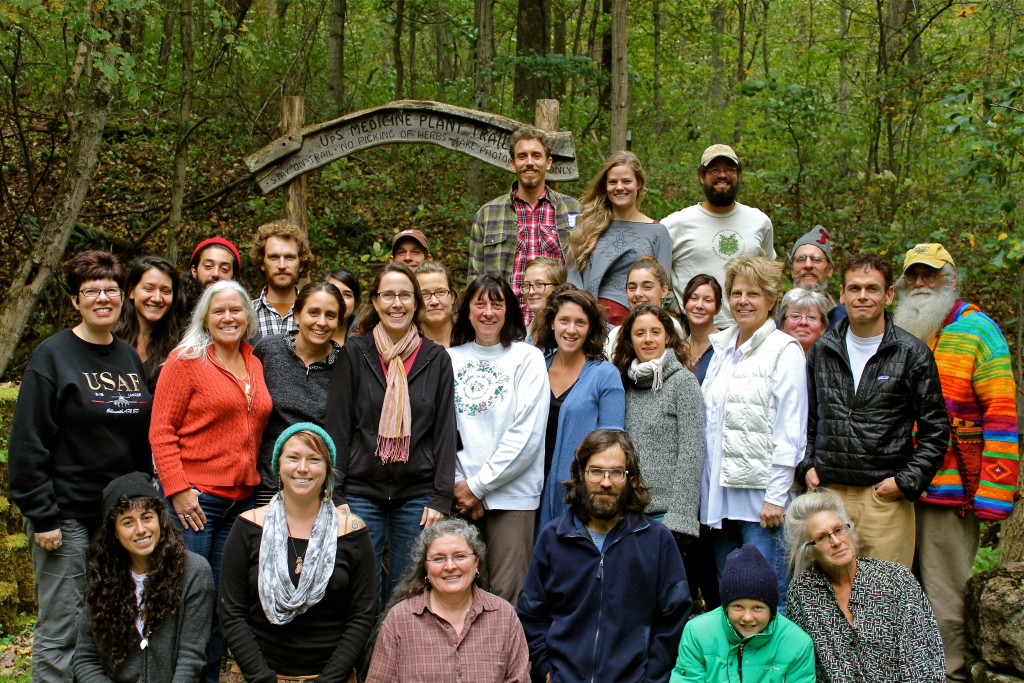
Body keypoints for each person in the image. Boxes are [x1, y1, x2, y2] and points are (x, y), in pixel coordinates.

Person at [9, 250, 154, 681]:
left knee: (108, 621)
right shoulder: (52, 357)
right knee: (63, 629)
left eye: (111, 289)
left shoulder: (128, 358)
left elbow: (136, 441)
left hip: (117, 517)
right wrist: (43, 515)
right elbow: (28, 444)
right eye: (91, 291)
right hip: (65, 516)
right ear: (75, 301)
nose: (103, 298)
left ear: (123, 297)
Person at [894, 243, 1020, 683]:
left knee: (944, 593)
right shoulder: (902, 326)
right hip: (897, 487)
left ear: (951, 280)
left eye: (931, 275)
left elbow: (1002, 416)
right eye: (913, 276)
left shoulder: (978, 330)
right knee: (898, 590)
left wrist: (994, 493)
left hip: (949, 490)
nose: (921, 284)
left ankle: (951, 674)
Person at [150, 279, 272, 682]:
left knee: (223, 605)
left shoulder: (253, 361)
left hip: (242, 502)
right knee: (189, 601)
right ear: (205, 317)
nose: (228, 317)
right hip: (197, 504)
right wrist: (178, 490)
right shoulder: (186, 360)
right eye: (218, 310)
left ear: (248, 316)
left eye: (235, 309)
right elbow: (161, 430)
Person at [797, 252, 948, 568]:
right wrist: (807, 464)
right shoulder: (823, 350)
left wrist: (906, 481)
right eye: (854, 288)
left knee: (885, 598)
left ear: (889, 294)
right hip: (830, 494)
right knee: (828, 596)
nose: (862, 296)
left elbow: (936, 430)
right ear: (841, 294)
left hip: (883, 498)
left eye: (872, 288)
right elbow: (807, 419)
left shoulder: (911, 354)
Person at [326, 263, 457, 603]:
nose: (396, 303)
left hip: (416, 495)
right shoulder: (356, 353)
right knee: (360, 590)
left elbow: (445, 432)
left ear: (416, 303)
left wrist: (440, 496)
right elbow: (339, 426)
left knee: (407, 592)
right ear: (375, 301)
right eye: (388, 295)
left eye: (405, 295)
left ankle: (397, 657)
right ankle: (365, 657)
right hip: (360, 491)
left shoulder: (436, 358)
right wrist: (336, 494)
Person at [517, 429, 692, 683]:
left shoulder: (657, 539)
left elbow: (674, 619)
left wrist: (651, 679)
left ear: (629, 478)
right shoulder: (553, 538)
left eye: (616, 472)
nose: (606, 482)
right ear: (580, 474)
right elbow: (531, 614)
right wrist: (545, 668)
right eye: (596, 471)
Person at [220, 424, 376, 682]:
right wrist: (262, 678)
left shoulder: (352, 531)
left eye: (314, 460)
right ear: (278, 467)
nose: (302, 468)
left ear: (327, 470)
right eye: (293, 458)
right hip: (257, 677)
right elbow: (232, 613)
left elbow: (362, 616)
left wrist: (329, 680)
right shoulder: (248, 527)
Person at [701, 256, 806, 613]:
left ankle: (773, 669)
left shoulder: (784, 350)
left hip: (761, 504)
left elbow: (790, 429)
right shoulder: (722, 348)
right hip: (720, 499)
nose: (743, 301)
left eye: (754, 294)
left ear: (772, 299)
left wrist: (777, 495)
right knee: (729, 595)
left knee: (767, 595)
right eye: (736, 292)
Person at [448, 273, 550, 603]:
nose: (488, 312)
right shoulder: (449, 359)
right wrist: (460, 484)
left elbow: (528, 434)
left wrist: (479, 486)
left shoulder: (528, 358)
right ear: (467, 311)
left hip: (512, 498)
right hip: (459, 498)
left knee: (506, 597)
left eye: (497, 303)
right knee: (463, 592)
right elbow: (441, 430)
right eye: (480, 303)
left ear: (509, 311)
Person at [785, 488, 945, 683]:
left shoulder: (895, 579)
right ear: (809, 552)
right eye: (822, 537)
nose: (836, 541)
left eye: (839, 530)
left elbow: (924, 661)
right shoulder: (803, 592)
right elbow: (804, 667)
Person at [74, 472, 215, 683]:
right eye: (128, 522)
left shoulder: (194, 571)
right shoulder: (103, 574)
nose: (141, 530)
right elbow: (85, 658)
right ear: (114, 531)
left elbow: (191, 658)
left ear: (160, 520)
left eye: (147, 518)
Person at [366, 518, 531, 682]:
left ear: (476, 561)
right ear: (426, 567)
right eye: (438, 559)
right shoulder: (400, 619)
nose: (450, 566)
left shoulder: (503, 615)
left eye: (460, 556)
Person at [467, 126, 582, 323]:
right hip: (506, 326)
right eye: (522, 156)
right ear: (512, 163)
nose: (529, 162)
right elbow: (475, 279)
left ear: (548, 162)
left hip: (559, 326)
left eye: (536, 156)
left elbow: (585, 271)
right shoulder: (488, 214)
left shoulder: (572, 209)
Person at [612, 304, 705, 539]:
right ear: (630, 340)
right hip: (626, 515)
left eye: (655, 332)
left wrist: (680, 518)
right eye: (639, 333)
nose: (648, 340)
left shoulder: (682, 382)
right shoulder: (623, 384)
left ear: (667, 337)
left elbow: (692, 452)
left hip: (667, 518)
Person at [535, 286, 624, 530]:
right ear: (552, 323)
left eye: (580, 322)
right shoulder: (535, 365)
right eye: (564, 320)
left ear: (591, 328)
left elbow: (611, 445)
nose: (571, 330)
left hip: (577, 499)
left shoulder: (605, 375)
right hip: (527, 492)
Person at [661, 144, 775, 327]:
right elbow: (652, 270)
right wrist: (672, 303)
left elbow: (771, 274)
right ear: (701, 176)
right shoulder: (675, 224)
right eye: (714, 170)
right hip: (693, 330)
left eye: (729, 169)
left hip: (748, 328)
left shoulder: (759, 222)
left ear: (737, 175)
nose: (722, 175)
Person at [253, 281, 344, 506]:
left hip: (319, 486)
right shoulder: (269, 350)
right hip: (268, 482)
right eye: (313, 312)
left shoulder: (345, 363)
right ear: (296, 315)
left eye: (330, 315)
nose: (321, 322)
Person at [670, 544, 815, 683]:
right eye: (738, 607)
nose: (747, 617)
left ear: (771, 609)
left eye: (757, 608)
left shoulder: (797, 643)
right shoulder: (697, 632)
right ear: (725, 607)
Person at [566, 151, 672, 325]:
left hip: (636, 325)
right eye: (613, 182)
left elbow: (663, 289)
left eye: (626, 181)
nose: (619, 187)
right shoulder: (586, 226)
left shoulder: (658, 232)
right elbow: (572, 276)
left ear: (639, 183)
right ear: (605, 186)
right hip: (590, 321)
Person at [114, 255, 188, 390]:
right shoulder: (109, 338)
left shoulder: (181, 348)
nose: (157, 298)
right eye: (149, 288)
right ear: (131, 292)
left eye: (165, 291)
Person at [604, 256, 684, 356]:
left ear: (664, 291)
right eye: (632, 288)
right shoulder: (615, 335)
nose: (638, 294)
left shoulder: (672, 326)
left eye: (647, 287)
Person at [250, 219, 315, 342]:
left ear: (300, 264)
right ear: (262, 263)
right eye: (273, 257)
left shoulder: (316, 313)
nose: (281, 265)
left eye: (289, 257)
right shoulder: (245, 314)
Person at [789, 225, 846, 329]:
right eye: (801, 259)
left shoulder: (846, 321)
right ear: (792, 270)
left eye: (816, 259)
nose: (808, 265)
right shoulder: (775, 319)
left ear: (829, 270)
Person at [680, 274, 722, 384]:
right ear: (684, 303)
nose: (699, 305)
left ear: (718, 307)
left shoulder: (725, 346)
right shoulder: (677, 348)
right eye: (693, 298)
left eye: (707, 300)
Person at [182, 236, 241, 309]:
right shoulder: (175, 311)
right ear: (194, 271)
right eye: (208, 266)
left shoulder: (244, 315)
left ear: (234, 276)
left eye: (224, 269)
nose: (215, 274)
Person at [523, 256, 567, 344]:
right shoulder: (528, 332)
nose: (531, 291)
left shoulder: (566, 331)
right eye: (527, 285)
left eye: (539, 284)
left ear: (558, 287)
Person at [416, 260, 459, 348]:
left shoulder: (473, 338)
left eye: (440, 292)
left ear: (452, 297)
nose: (434, 301)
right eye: (424, 294)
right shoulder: (408, 347)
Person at [778, 287, 831, 355]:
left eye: (811, 317)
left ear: (823, 327)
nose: (803, 322)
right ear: (782, 325)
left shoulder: (833, 362)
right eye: (795, 316)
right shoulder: (769, 359)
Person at [325, 266, 362, 345]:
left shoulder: (365, 337)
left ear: (356, 304)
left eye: (347, 295)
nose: (340, 300)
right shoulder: (305, 329)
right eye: (334, 292)